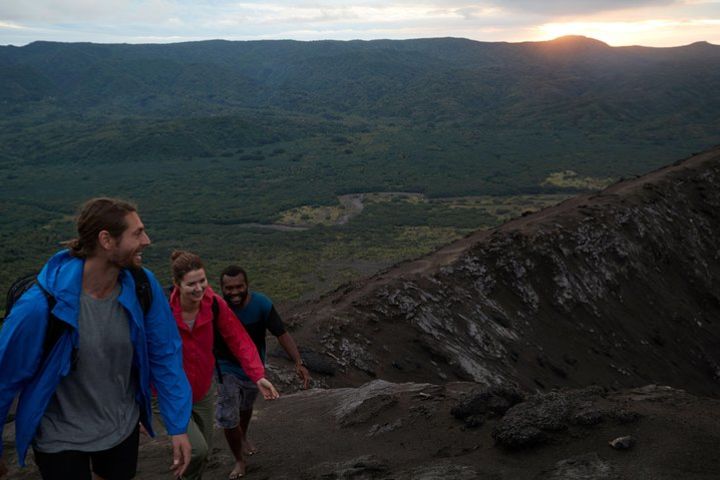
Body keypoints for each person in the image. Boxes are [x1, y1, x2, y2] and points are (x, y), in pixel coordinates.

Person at [0, 197, 192, 480]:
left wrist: (178, 426)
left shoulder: (142, 285)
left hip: (121, 426)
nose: (147, 240)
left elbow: (164, 354)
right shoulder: (41, 306)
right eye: (137, 233)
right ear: (106, 240)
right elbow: (4, 377)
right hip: (60, 436)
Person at [168, 251, 279, 480]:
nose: (199, 288)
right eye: (191, 284)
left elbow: (238, 338)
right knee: (197, 451)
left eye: (202, 281)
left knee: (203, 452)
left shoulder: (213, 304)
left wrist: (257, 375)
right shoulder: (162, 308)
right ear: (177, 284)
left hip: (201, 390)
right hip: (169, 388)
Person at [218, 265, 311, 477]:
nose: (234, 292)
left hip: (253, 367)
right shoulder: (217, 307)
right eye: (228, 288)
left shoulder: (261, 304)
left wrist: (298, 362)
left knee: (245, 406)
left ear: (247, 285)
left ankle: (243, 435)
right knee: (229, 411)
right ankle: (239, 460)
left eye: (239, 286)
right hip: (225, 366)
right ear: (221, 288)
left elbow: (281, 333)